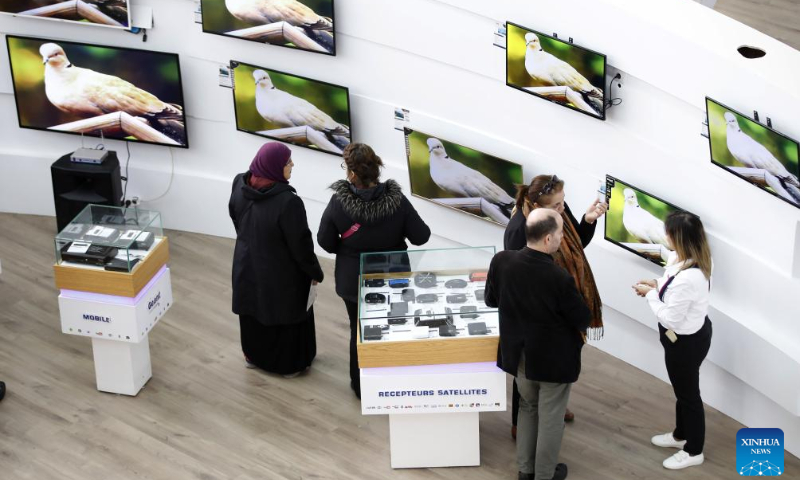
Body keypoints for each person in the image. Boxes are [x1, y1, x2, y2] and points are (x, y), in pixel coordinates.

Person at [318, 143, 430, 398]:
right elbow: (421, 236)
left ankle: (361, 386)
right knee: (393, 327)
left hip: (353, 279)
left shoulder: (338, 202)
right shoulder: (397, 201)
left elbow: (324, 241)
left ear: (352, 173)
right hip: (393, 278)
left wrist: (347, 248)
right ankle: (391, 383)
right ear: (377, 168)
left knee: (358, 330)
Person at [485, 209, 591, 480]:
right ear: (547, 239)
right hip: (552, 360)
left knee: (528, 408)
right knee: (551, 417)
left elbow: (491, 300)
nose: (561, 238)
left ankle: (525, 471)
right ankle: (544, 475)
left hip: (519, 355)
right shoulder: (559, 278)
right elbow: (583, 318)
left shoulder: (501, 261)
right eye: (559, 233)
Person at [504, 174, 607, 435]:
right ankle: (521, 422)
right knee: (527, 371)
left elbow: (575, 243)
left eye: (564, 203)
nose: (562, 209)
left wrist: (588, 220)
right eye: (557, 206)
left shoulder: (557, 211)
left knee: (555, 361)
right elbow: (518, 274)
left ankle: (554, 406)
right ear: (538, 209)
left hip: (558, 302)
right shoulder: (518, 229)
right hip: (535, 311)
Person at [229, 142, 324, 377]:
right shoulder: (288, 202)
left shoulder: (239, 183)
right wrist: (315, 272)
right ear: (274, 167)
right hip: (280, 273)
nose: (292, 165)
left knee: (252, 310)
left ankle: (253, 356)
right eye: (287, 162)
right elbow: (301, 246)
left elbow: (236, 217)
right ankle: (288, 366)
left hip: (245, 264)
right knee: (283, 314)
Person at [633, 212, 713, 470]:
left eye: (667, 232)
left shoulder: (691, 278)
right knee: (682, 391)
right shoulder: (685, 258)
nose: (663, 234)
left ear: (677, 237)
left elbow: (671, 319)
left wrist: (650, 295)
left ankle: (693, 450)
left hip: (685, 343)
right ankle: (681, 435)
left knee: (689, 396)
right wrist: (656, 283)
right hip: (688, 337)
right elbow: (670, 281)